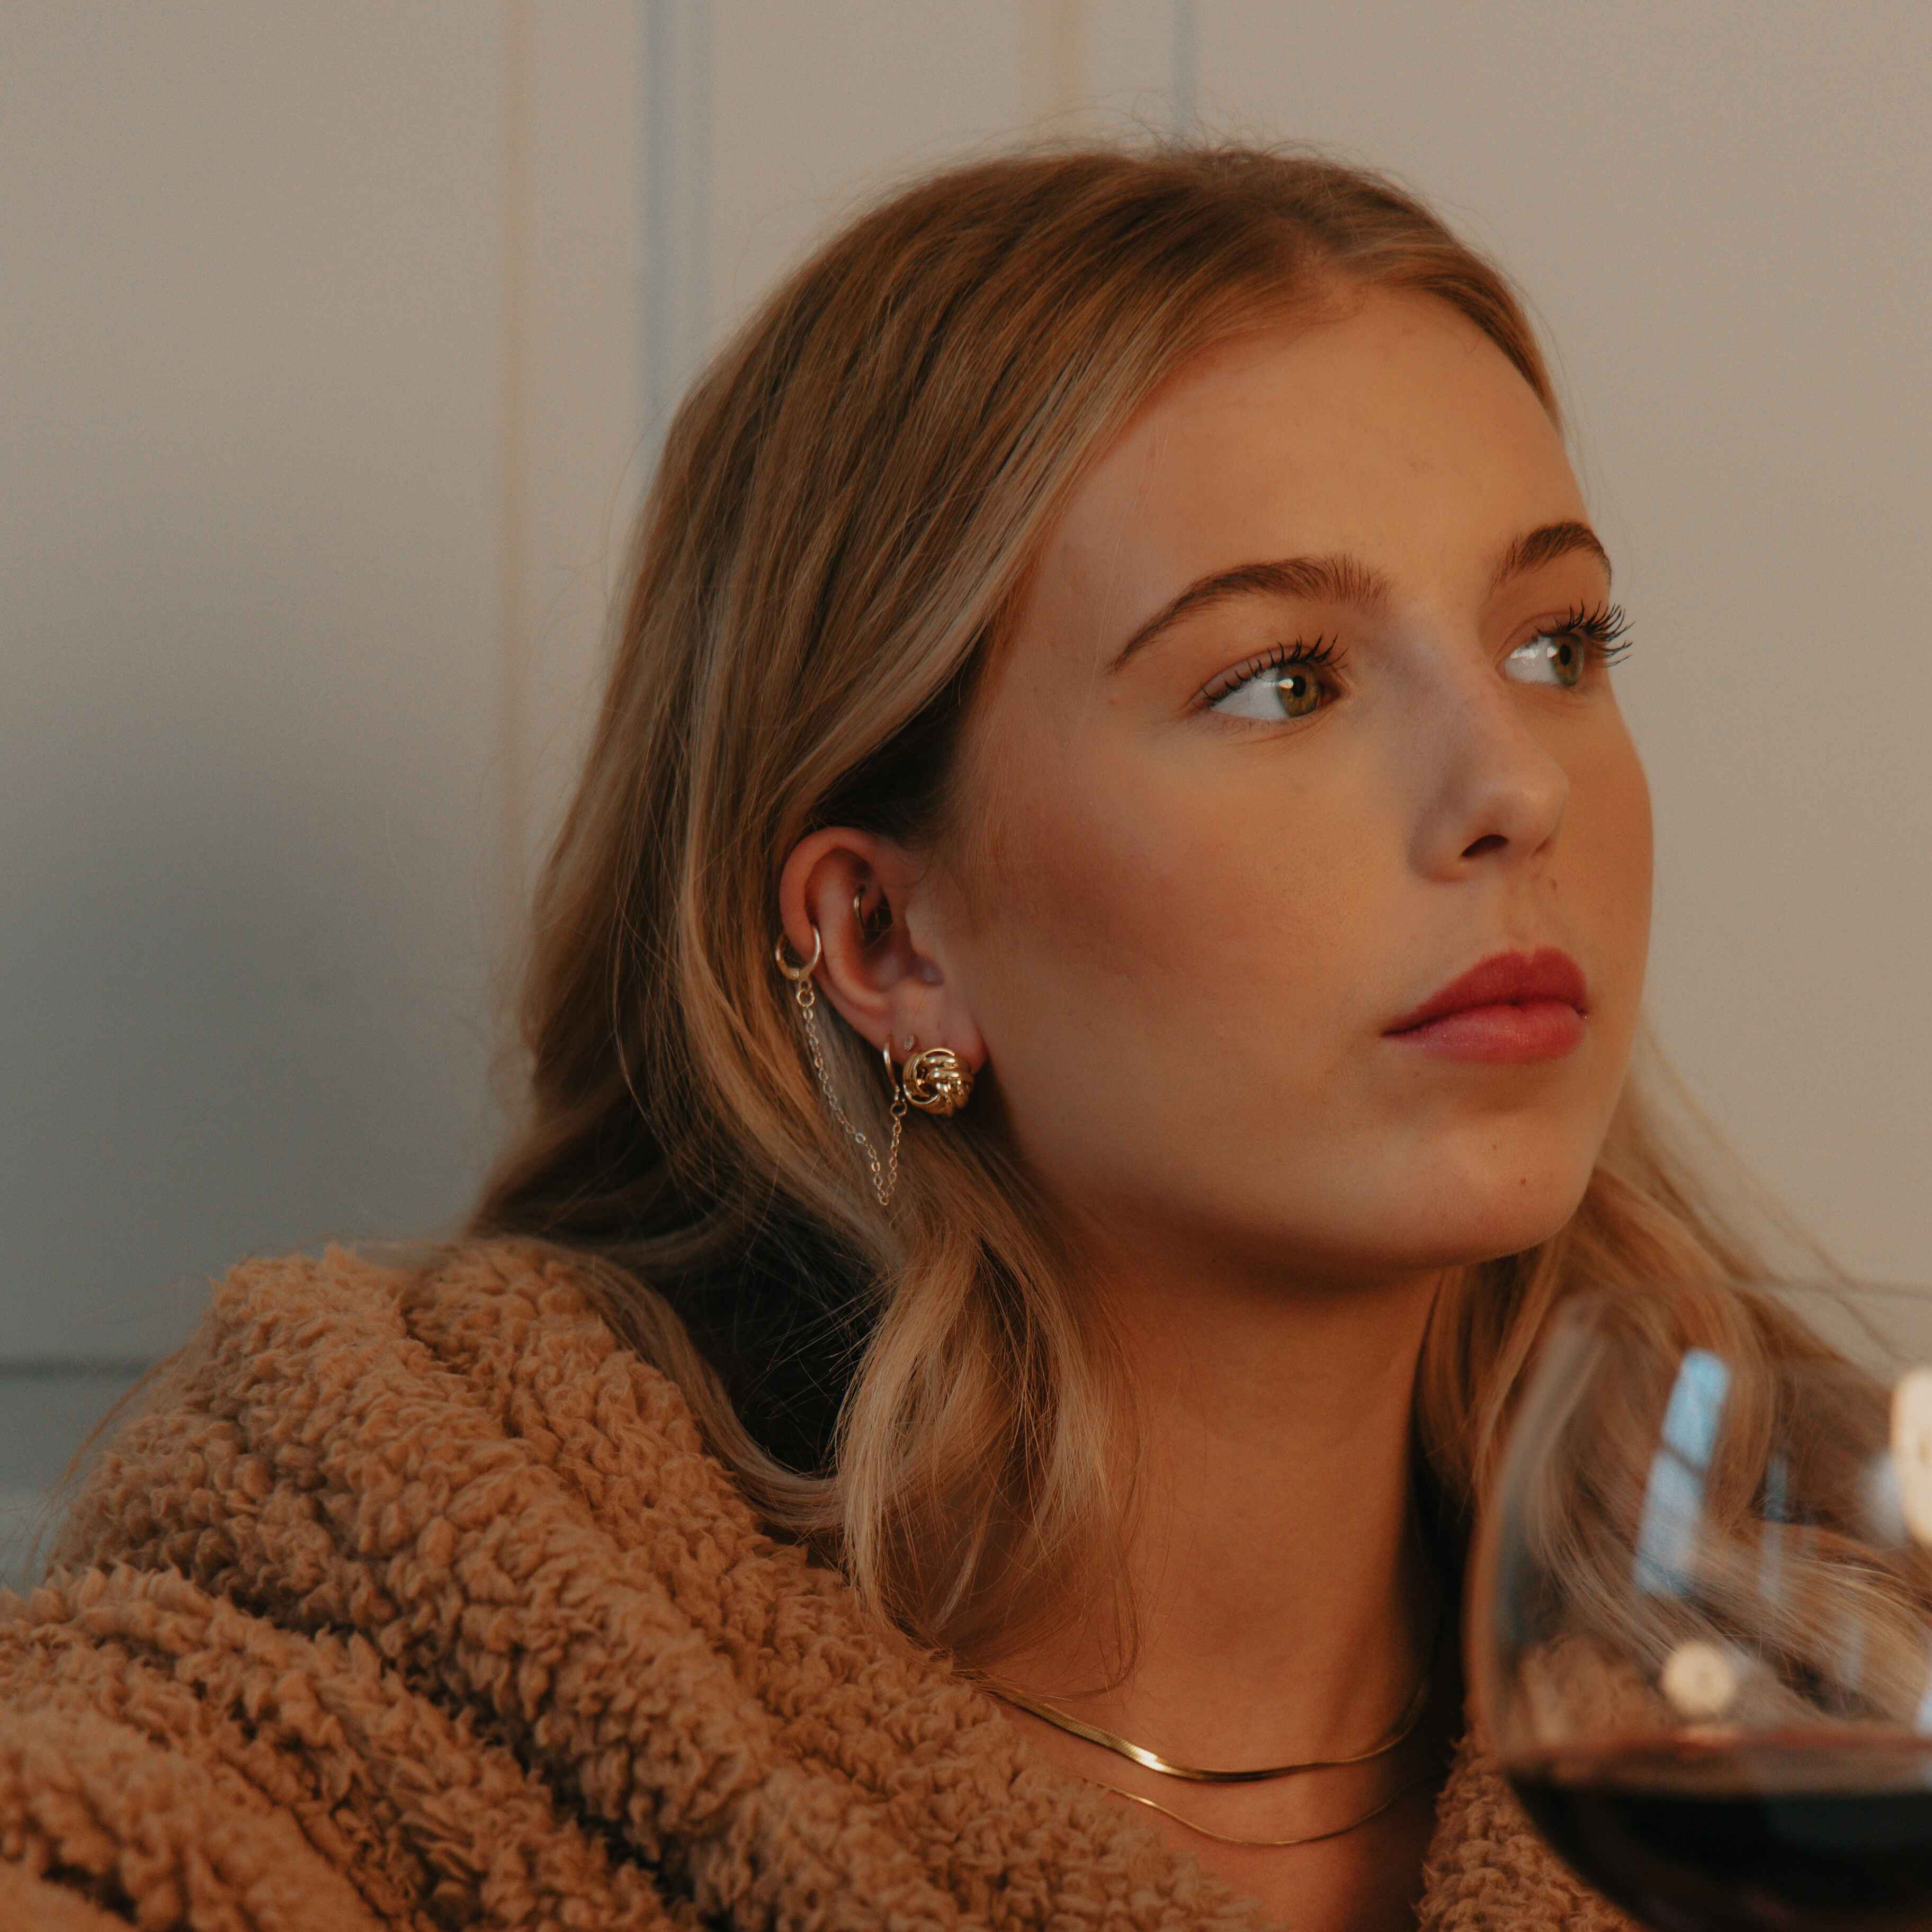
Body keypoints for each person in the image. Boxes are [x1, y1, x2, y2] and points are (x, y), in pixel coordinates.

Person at [0, 141, 1821, 1932]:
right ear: (886, 939)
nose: (1513, 786)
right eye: (1280, 679)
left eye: (1559, 646)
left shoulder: (1813, 1701)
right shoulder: (362, 1677)